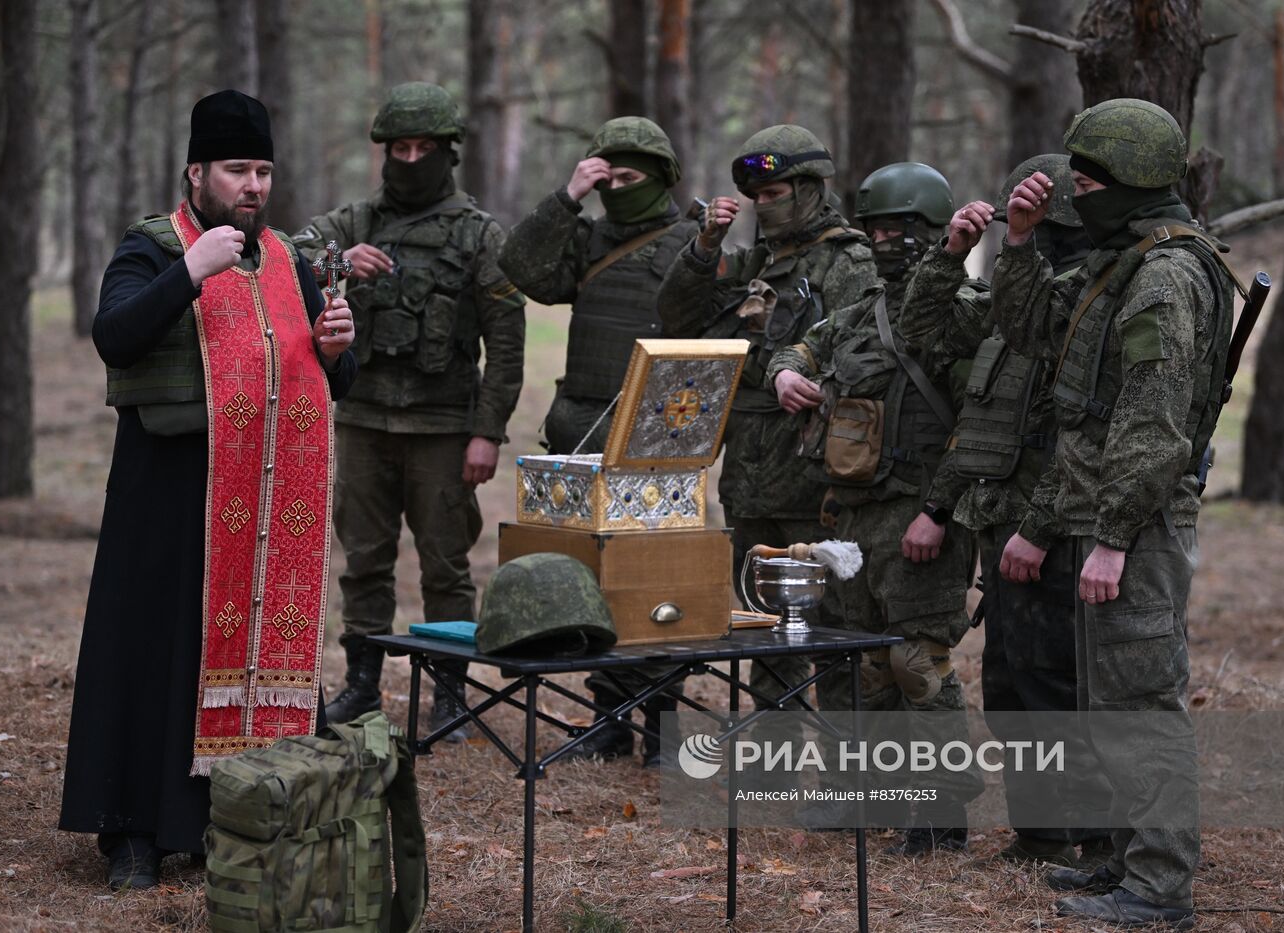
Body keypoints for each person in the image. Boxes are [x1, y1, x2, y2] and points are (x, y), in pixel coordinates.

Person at [60, 89, 358, 889]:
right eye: (236, 169)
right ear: (196, 172)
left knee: (247, 658)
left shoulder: (289, 259)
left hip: (265, 499)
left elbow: (335, 381)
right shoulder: (153, 248)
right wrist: (189, 272)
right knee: (155, 650)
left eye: (263, 169)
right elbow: (114, 335)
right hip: (168, 491)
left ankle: (240, 818)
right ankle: (132, 832)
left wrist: (336, 348)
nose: (253, 185)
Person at [994, 99, 1236, 929]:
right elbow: (1034, 334)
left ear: (1130, 184)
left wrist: (1112, 537)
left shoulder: (1164, 277)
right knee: (1109, 704)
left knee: (1142, 706)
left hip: (1137, 522)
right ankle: (1126, 863)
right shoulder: (1121, 259)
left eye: (1088, 181)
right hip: (1107, 514)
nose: (1076, 193)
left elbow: (1151, 424)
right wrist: (1019, 241)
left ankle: (1160, 888)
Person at [292, 83, 526, 737]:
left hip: (443, 427)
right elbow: (285, 253)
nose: (413, 158)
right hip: (363, 420)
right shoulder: (352, 225)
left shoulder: (480, 234)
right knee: (364, 559)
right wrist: (337, 264)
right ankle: (362, 686)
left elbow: (505, 345)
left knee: (446, 565)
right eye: (401, 148)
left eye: (426, 148)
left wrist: (487, 433)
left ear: (448, 153)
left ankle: (450, 695)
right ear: (385, 152)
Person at [898, 154, 1111, 868]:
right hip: (1002, 524)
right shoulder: (1010, 304)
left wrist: (1040, 528)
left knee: (1059, 685)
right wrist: (951, 252)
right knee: (1013, 686)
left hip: (1055, 528)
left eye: (1037, 224)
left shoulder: (1080, 308)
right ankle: (1043, 831)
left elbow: (1078, 440)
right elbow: (922, 327)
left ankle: (1093, 837)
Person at [765, 162, 983, 854]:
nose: (887, 240)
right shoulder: (855, 317)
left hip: (920, 515)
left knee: (917, 665)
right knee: (851, 665)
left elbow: (977, 430)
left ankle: (942, 811)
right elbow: (796, 347)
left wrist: (940, 512)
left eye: (901, 228)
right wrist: (786, 375)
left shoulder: (965, 316)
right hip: (850, 519)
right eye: (877, 228)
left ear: (932, 232)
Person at [656, 125, 878, 714]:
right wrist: (705, 246)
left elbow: (851, 348)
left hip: (814, 470)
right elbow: (676, 316)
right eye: (756, 193)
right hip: (750, 472)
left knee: (826, 623)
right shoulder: (754, 259)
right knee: (762, 615)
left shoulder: (846, 259)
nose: (762, 203)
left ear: (808, 188)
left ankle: (839, 768)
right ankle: (775, 741)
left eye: (774, 192)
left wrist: (782, 370)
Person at [497, 117, 697, 764]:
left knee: (655, 580)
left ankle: (662, 717)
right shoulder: (586, 240)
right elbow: (521, 266)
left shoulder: (691, 242)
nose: (617, 187)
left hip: (654, 438)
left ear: (664, 177)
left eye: (629, 177)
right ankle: (608, 716)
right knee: (594, 578)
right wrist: (567, 195)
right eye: (606, 175)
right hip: (578, 426)